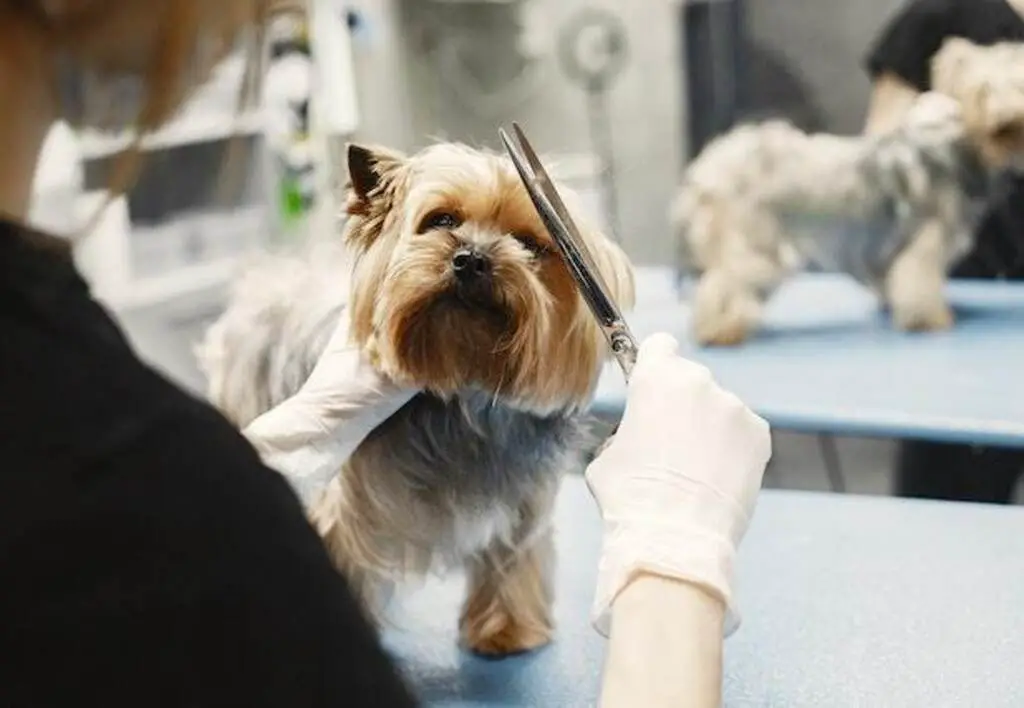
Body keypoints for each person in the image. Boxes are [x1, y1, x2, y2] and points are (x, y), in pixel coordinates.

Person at [0, 2, 770, 706]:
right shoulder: (124, 478)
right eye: (442, 224)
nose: (474, 254)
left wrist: (254, 470)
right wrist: (676, 561)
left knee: (516, 521)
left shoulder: (88, 437)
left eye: (529, 246)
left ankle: (504, 605)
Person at [863, 0, 1024, 504]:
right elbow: (876, 161)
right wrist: (931, 133)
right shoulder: (937, 16)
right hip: (958, 312)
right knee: (950, 511)